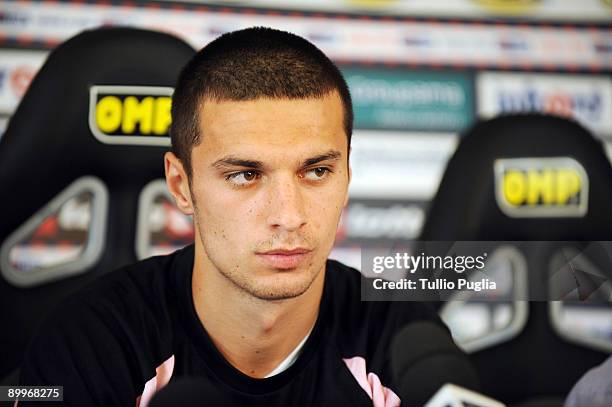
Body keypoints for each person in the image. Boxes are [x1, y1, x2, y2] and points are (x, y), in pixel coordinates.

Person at [19, 27, 446, 406]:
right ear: (181, 185)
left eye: (317, 171)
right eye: (245, 175)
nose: (289, 215)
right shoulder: (91, 341)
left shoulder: (407, 342)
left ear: (347, 176)